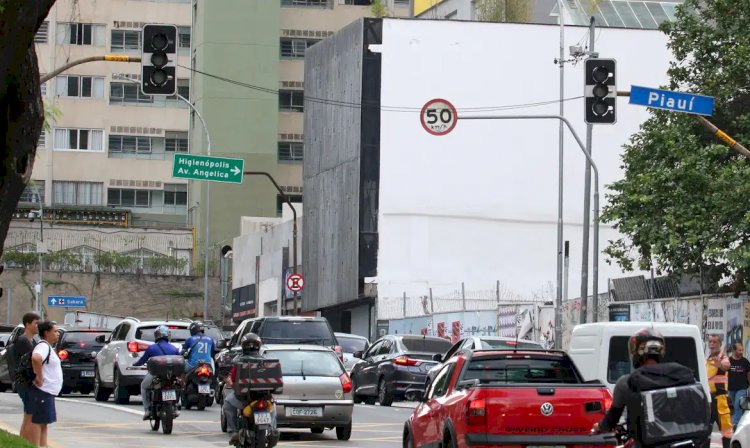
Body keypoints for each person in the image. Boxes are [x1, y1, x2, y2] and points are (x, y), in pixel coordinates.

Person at [592, 327, 706, 447]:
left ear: (635, 351)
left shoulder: (626, 382)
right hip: (683, 443)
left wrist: (598, 427)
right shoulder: (680, 376)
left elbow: (611, 419)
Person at [223, 333, 278, 446]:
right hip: (264, 397)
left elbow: (233, 380)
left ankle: (233, 431)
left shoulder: (239, 361)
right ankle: (273, 428)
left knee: (227, 403)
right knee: (273, 407)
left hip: (244, 398)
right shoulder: (265, 362)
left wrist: (230, 383)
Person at [133, 325, 180, 420]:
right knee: (178, 387)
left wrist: (135, 364)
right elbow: (180, 360)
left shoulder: (151, 348)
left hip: (155, 375)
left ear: (157, 336)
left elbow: (142, 360)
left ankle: (147, 410)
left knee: (143, 386)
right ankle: (176, 407)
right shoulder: (174, 348)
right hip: (171, 376)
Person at [28, 320, 62, 448]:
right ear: (46, 333)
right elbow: (36, 358)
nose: (57, 334)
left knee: (43, 422)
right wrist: (39, 377)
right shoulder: (43, 346)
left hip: (47, 391)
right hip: (43, 390)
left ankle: (43, 445)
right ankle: (37, 445)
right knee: (38, 422)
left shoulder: (47, 347)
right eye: (55, 331)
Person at [9, 311, 40, 444]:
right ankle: (24, 442)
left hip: (27, 382)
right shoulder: (24, 341)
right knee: (30, 415)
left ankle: (22, 442)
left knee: (29, 415)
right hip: (25, 382)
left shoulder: (31, 340)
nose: (38, 326)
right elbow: (32, 361)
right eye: (36, 323)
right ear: (27, 324)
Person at [707, 334, 733, 448]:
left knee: (726, 430)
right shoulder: (708, 358)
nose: (712, 344)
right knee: (705, 429)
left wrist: (720, 365)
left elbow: (727, 365)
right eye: (710, 342)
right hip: (709, 399)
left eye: (715, 342)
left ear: (719, 344)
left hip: (720, 400)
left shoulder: (723, 357)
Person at [729, 342, 750, 428]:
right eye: (739, 350)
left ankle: (736, 424)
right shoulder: (729, 361)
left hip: (742, 387)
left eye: (742, 350)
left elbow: (749, 374)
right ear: (734, 350)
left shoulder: (745, 361)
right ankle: (740, 422)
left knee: (738, 405)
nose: (741, 352)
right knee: (735, 406)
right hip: (731, 388)